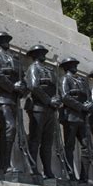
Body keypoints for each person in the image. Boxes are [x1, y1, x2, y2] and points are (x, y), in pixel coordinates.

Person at [0, 31, 26, 172]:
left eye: (7, 39)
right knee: (10, 126)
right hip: (1, 97)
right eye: (3, 40)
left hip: (14, 99)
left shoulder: (14, 59)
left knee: (10, 130)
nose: (7, 42)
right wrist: (12, 87)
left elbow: (23, 78)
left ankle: (7, 164)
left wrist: (22, 88)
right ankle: (4, 164)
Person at [25, 44, 61, 178]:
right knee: (35, 139)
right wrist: (48, 100)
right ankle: (33, 167)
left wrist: (57, 100)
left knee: (47, 142)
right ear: (35, 55)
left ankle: (48, 170)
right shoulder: (33, 68)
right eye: (40, 53)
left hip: (51, 110)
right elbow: (34, 86)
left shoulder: (50, 71)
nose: (43, 55)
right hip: (38, 108)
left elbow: (57, 88)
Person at [59, 57, 93, 182]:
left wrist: (89, 105)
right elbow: (65, 96)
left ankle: (84, 176)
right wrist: (81, 107)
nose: (75, 66)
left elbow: (89, 97)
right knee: (69, 146)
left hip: (83, 119)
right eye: (73, 64)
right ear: (67, 67)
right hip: (70, 117)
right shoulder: (65, 79)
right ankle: (70, 173)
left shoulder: (81, 81)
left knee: (87, 146)